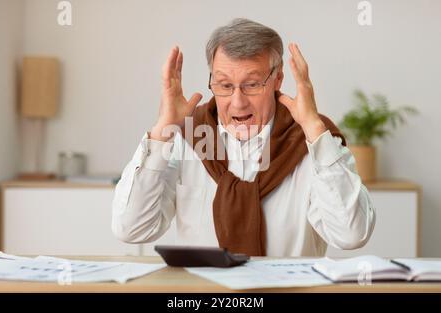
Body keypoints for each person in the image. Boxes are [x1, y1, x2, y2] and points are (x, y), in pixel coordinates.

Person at [112, 18, 375, 256]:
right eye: (225, 86)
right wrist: (161, 131)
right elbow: (131, 230)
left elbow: (351, 235)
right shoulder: (186, 136)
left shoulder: (313, 140)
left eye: (252, 85)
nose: (237, 103)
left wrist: (314, 128)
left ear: (277, 79)